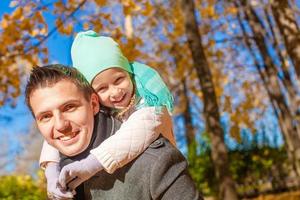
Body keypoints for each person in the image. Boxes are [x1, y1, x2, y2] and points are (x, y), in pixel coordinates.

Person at [25, 65, 203, 200]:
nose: (60, 125)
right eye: (46, 116)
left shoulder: (156, 161)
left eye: (70, 107)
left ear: (94, 104)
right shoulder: (57, 175)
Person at [39, 30, 177, 197]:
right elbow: (62, 130)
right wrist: (52, 171)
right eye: (102, 88)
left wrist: (89, 165)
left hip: (158, 175)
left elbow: (135, 134)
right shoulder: (98, 106)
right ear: (93, 97)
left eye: (119, 79)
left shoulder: (150, 103)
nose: (115, 92)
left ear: (129, 73)